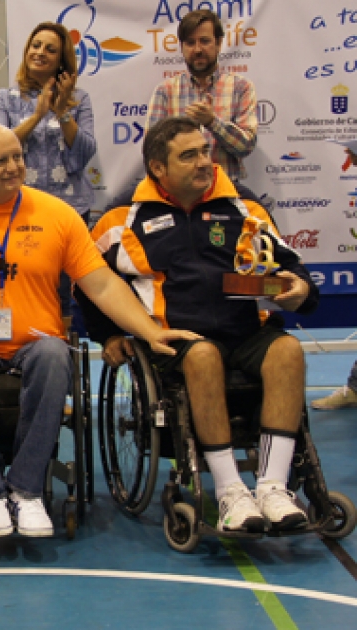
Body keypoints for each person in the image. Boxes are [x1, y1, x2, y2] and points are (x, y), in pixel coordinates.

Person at [0, 122, 197, 538]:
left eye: (17, 156)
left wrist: (151, 330)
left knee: (54, 354)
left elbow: (101, 283)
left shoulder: (57, 215)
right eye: (0, 161)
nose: (14, 167)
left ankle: (27, 490)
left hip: (38, 340)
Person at [80, 116, 319, 533]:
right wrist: (110, 335)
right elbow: (90, 286)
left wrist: (300, 289)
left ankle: (272, 487)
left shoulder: (245, 209)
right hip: (176, 340)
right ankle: (229, 492)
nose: (204, 163)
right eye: (188, 156)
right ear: (158, 168)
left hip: (246, 332)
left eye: (205, 151)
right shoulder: (122, 220)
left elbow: (292, 272)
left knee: (287, 350)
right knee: (204, 355)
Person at [0, 21, 97, 321]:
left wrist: (62, 112)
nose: (40, 52)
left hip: (69, 207)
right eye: (36, 45)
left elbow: (85, 152)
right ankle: (13, 348)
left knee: (61, 289)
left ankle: (58, 351)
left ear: (62, 60)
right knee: (15, 282)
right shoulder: (5, 98)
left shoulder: (79, 100)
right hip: (19, 206)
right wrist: (38, 114)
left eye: (50, 49)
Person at [146, 9, 257, 181]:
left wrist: (212, 122)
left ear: (219, 43)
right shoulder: (165, 91)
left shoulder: (240, 87)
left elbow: (246, 146)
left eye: (204, 41)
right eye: (190, 43)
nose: (197, 49)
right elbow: (152, 151)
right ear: (182, 47)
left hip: (225, 192)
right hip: (179, 195)